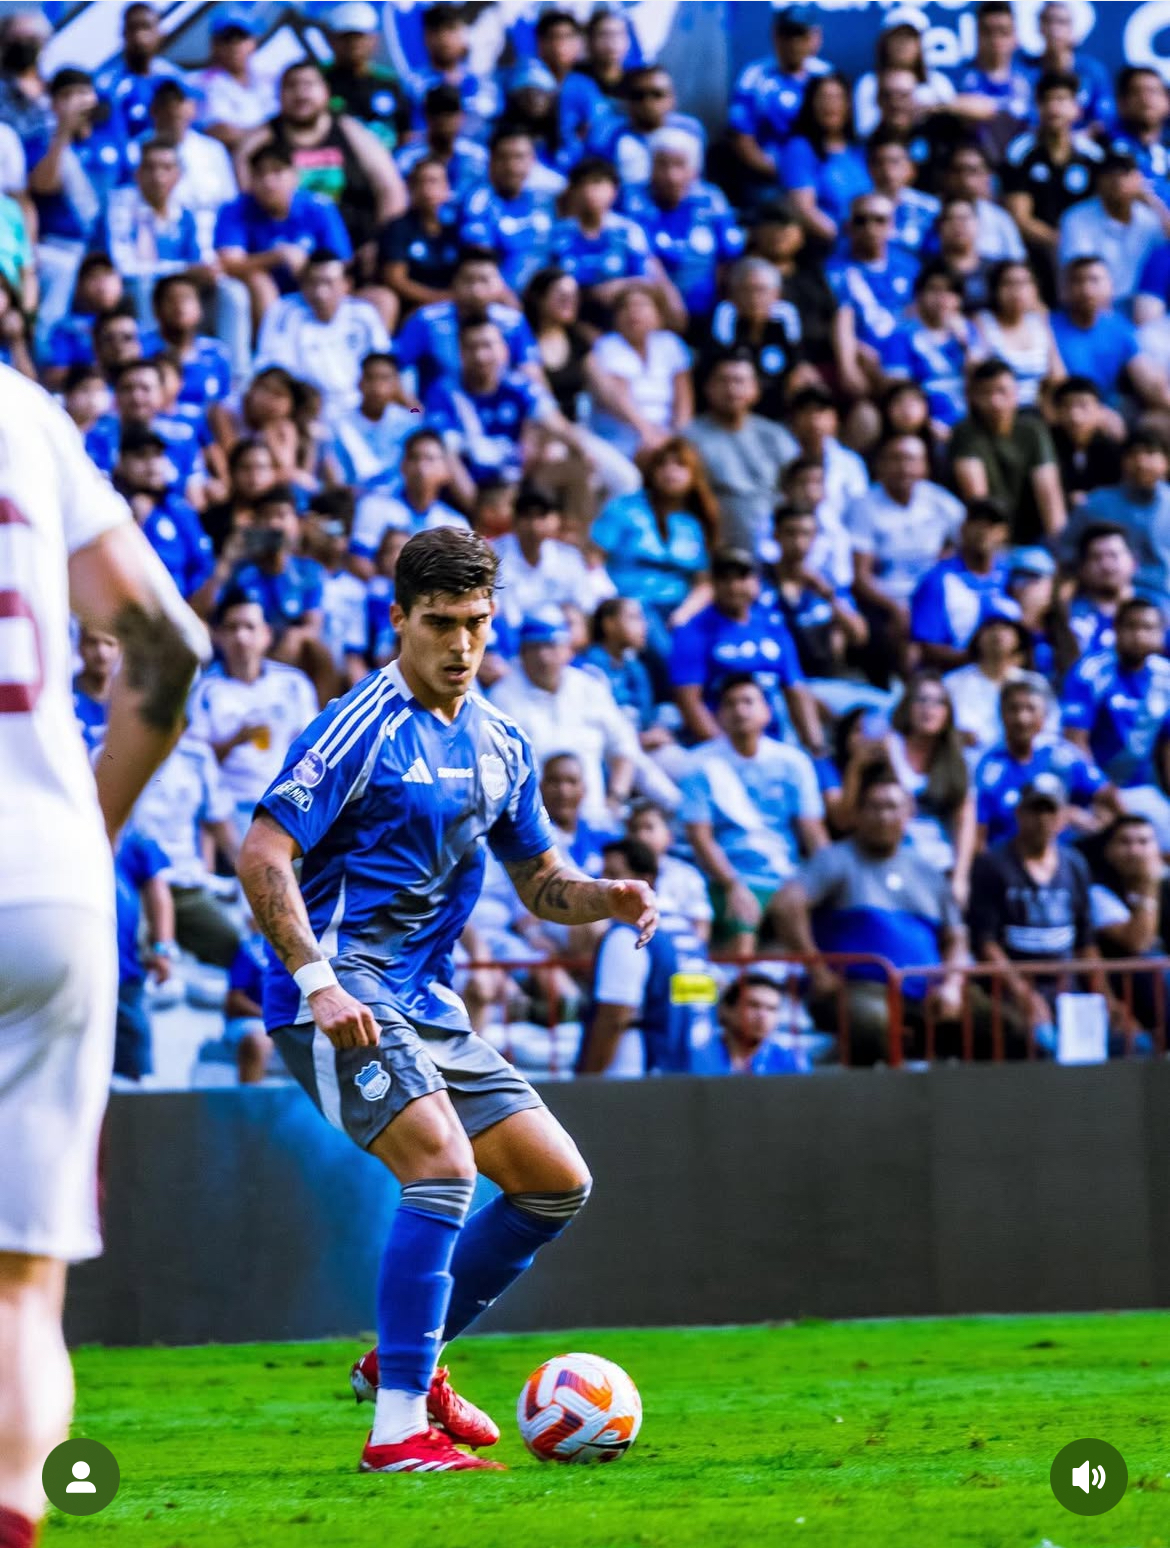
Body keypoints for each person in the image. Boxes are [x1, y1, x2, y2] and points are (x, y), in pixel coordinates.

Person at [236, 527, 656, 1473]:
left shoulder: (503, 741)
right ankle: (397, 1433)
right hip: (339, 992)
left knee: (555, 1182)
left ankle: (404, 1361)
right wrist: (317, 982)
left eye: (475, 622)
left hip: (424, 1003)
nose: (460, 644)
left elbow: (541, 881)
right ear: (398, 620)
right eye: (439, 623)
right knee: (441, 1165)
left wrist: (607, 896)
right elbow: (263, 854)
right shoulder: (358, 726)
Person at [0, 363, 208, 1548]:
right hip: (44, 880)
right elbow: (168, 649)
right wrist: (88, 829)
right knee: (21, 1294)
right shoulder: (26, 414)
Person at [774, 769, 967, 1066]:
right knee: (872, 1022)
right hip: (857, 988)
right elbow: (786, 905)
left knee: (1006, 1026)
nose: (883, 816)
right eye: (874, 807)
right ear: (858, 814)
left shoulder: (927, 871)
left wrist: (952, 985)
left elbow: (956, 937)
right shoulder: (835, 859)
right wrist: (817, 969)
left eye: (892, 807)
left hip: (927, 992)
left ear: (909, 814)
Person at [680, 674, 827, 958]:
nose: (740, 710)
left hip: (786, 874)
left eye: (748, 701)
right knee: (743, 933)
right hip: (728, 874)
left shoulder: (793, 762)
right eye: (730, 703)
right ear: (719, 715)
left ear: (767, 711)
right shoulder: (701, 764)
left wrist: (826, 880)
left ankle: (813, 978)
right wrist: (732, 884)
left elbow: (812, 830)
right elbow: (700, 837)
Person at [237, 59, 406, 275]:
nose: (301, 94)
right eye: (292, 86)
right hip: (287, 258)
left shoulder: (351, 130)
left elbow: (392, 190)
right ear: (278, 95)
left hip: (357, 254)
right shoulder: (260, 140)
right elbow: (246, 201)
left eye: (309, 84)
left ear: (326, 91)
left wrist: (379, 242)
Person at [967, 773, 1097, 1049]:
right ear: (1019, 814)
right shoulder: (992, 865)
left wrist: (1105, 995)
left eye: (1050, 811)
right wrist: (1022, 993)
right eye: (1034, 810)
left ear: (1064, 817)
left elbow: (1086, 940)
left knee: (1126, 1045)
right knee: (1044, 1044)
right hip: (1010, 989)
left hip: (1067, 990)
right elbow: (985, 942)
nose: (1042, 819)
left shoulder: (1075, 864)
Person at [489, 607, 639, 827]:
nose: (543, 656)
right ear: (521, 653)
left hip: (594, 821)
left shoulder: (590, 687)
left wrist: (616, 797)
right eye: (534, 647)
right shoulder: (501, 698)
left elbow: (624, 747)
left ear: (568, 650)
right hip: (532, 825)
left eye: (551, 646)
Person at [187, 590, 319, 832]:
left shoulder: (294, 684)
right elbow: (195, 764)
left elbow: (312, 748)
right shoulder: (204, 691)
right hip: (227, 810)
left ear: (266, 634)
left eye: (250, 627)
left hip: (284, 804)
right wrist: (236, 740)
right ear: (218, 637)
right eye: (232, 628)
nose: (241, 637)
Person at [669, 547, 822, 754]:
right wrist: (727, 753)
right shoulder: (694, 631)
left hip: (777, 740)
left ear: (757, 582)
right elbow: (689, 701)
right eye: (725, 579)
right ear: (713, 584)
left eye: (742, 577)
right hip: (723, 742)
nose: (734, 586)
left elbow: (795, 688)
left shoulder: (772, 625)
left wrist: (815, 744)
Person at [848, 433, 965, 675]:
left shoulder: (939, 500)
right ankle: (907, 685)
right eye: (896, 459)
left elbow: (971, 536)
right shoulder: (865, 506)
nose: (904, 467)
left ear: (924, 466)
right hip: (888, 596)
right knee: (905, 632)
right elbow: (861, 576)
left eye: (911, 460)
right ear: (880, 465)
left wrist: (948, 557)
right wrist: (894, 607)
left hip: (934, 592)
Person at [590, 437, 715, 663]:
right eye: (662, 464)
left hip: (677, 610)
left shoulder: (692, 524)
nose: (670, 471)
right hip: (631, 604)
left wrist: (683, 614)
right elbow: (593, 558)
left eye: (680, 465)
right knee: (665, 649)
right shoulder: (624, 508)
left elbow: (703, 584)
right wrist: (610, 600)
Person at [576, 839, 688, 1077]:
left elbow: (613, 1018)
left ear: (645, 881)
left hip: (627, 1068)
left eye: (613, 875)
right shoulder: (676, 933)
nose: (603, 883)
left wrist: (586, 1081)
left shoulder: (625, 937)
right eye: (601, 874)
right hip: (672, 1065)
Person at [1064, 596, 1170, 846]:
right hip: (1088, 790)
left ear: (1161, 633)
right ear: (1116, 629)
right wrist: (1102, 791)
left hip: (1141, 790)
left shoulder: (1165, 677)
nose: (1139, 635)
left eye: (1148, 628)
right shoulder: (1091, 670)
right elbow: (1074, 741)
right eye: (1131, 627)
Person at [215, 142, 353, 328]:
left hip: (312, 288)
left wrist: (307, 269)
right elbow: (228, 263)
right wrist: (278, 256)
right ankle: (270, 340)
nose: (268, 181)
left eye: (277, 171)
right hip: (263, 294)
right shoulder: (235, 209)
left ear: (295, 176)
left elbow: (341, 261)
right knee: (258, 279)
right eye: (260, 174)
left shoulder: (319, 207)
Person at [619, 128, 745, 328]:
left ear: (694, 170)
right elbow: (642, 255)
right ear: (650, 167)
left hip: (708, 308)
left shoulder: (711, 198)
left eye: (679, 165)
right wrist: (668, 298)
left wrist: (720, 302)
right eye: (662, 165)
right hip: (655, 308)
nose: (671, 175)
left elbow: (728, 255)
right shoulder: (634, 200)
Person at [975, 674, 1112, 849]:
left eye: (1030, 709)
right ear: (1001, 714)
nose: (1022, 719)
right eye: (1013, 709)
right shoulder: (988, 767)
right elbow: (978, 835)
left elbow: (1109, 798)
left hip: (1065, 854)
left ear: (1045, 715)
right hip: (1009, 857)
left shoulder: (1062, 755)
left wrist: (1092, 822)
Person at [254, 248, 390, 419]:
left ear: (346, 284)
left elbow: (386, 369)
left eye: (328, 283)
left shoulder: (364, 314)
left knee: (414, 413)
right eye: (313, 283)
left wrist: (413, 409)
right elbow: (272, 371)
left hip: (361, 413)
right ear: (303, 285)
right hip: (305, 413)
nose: (320, 293)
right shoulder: (283, 311)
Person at [683, 348, 796, 552]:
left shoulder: (775, 436)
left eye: (740, 381)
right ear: (708, 387)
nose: (732, 388)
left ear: (756, 389)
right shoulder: (690, 438)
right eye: (724, 380)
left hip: (776, 543)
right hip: (717, 544)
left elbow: (796, 486)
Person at [393, 246, 540, 397]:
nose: (476, 290)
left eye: (484, 280)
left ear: (500, 283)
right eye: (468, 280)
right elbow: (398, 371)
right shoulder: (425, 320)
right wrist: (415, 409)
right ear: (454, 282)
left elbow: (531, 374)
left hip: (502, 409)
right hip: (436, 409)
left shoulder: (513, 322)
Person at [1001, 71, 1102, 286]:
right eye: (1047, 100)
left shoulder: (1093, 156)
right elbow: (1020, 218)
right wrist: (1062, 242)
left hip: (1087, 250)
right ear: (1037, 107)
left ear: (1076, 108)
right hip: (1035, 252)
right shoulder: (1020, 152)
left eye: (1062, 99)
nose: (1054, 107)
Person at [950, 357, 1066, 544]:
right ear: (974, 397)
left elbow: (1049, 492)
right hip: (988, 540)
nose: (995, 401)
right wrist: (993, 546)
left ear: (1016, 393)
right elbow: (978, 499)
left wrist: (1059, 545)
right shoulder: (965, 432)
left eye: (1002, 391)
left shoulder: (1033, 429)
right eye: (986, 393)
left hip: (1033, 537)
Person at [727, 4, 828, 199]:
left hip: (819, 175)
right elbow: (741, 138)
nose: (794, 43)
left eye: (800, 35)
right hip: (770, 177)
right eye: (787, 34)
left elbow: (838, 137)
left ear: (815, 37)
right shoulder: (754, 76)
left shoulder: (825, 76)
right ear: (775, 36)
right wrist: (788, 174)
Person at [827, 192, 920, 404]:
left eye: (880, 220)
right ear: (848, 227)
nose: (870, 228)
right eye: (861, 221)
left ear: (892, 226)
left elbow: (918, 314)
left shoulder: (910, 267)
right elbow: (834, 320)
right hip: (861, 361)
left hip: (908, 357)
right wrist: (854, 350)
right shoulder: (833, 272)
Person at [587, 283, 692, 461]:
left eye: (641, 305)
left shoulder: (670, 343)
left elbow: (684, 401)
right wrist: (650, 434)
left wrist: (678, 435)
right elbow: (620, 401)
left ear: (658, 314)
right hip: (624, 436)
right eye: (625, 307)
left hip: (667, 433)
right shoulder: (608, 346)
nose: (633, 312)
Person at [909, 498, 1011, 671]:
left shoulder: (1012, 574)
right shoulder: (938, 580)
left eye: (992, 525)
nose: (983, 531)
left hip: (1010, 671)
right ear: (962, 529)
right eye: (976, 523)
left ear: (1004, 533)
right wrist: (982, 659)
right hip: (958, 673)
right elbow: (929, 647)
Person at [1054, 257, 1167, 412]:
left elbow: (1145, 374)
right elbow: (1056, 385)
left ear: (1110, 286)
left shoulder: (1118, 326)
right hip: (1068, 409)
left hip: (1110, 408)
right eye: (1077, 281)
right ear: (1064, 289)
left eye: (1094, 280)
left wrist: (1162, 394)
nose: (1086, 289)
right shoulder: (1049, 327)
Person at [492, 486, 610, 631]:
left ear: (556, 519)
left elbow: (585, 604)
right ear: (515, 520)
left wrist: (576, 620)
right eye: (527, 516)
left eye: (542, 515)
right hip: (510, 635)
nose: (534, 524)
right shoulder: (494, 554)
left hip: (558, 636)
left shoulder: (568, 557)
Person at [1070, 430, 1170, 600]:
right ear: (1123, 461)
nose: (1141, 462)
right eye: (1134, 454)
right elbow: (1067, 550)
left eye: (1150, 453)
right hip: (1102, 597)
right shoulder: (1097, 504)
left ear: (1166, 462)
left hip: (1164, 598)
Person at [111, 825, 176, 1085]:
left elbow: (157, 889)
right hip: (71, 968)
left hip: (123, 971)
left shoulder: (132, 836)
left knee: (132, 1066)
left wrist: (162, 948)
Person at [349, 428, 463, 575]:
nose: (421, 467)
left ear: (446, 470)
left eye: (430, 459)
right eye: (414, 458)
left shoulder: (455, 523)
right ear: (402, 465)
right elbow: (359, 562)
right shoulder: (374, 506)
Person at [1058, 148, 1164, 306]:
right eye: (1110, 174)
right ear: (1099, 181)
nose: (1117, 181)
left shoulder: (1149, 217)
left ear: (1137, 178)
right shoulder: (1076, 218)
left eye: (1124, 174)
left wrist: (1151, 200)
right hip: (1096, 306)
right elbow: (1079, 274)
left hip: (1143, 303)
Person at [706, 256, 802, 421]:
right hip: (735, 415)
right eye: (746, 290)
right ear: (733, 294)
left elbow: (797, 366)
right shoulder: (725, 321)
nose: (754, 297)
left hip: (778, 414)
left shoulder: (785, 323)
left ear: (776, 294)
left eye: (761, 290)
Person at [781, 72, 870, 248]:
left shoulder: (859, 149)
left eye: (837, 98)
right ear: (810, 104)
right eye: (823, 98)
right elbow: (803, 209)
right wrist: (848, 242)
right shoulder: (799, 148)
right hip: (829, 247)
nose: (830, 105)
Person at [584, 62, 705, 190]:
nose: (648, 103)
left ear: (672, 99)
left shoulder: (690, 131)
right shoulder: (608, 135)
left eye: (657, 94)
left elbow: (697, 182)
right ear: (626, 101)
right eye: (638, 96)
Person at [970, 261, 1064, 412]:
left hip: (1038, 409)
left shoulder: (1039, 321)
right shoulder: (983, 322)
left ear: (1035, 289)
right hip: (997, 410)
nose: (1017, 291)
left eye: (1024, 283)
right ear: (995, 289)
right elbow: (975, 375)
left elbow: (1058, 376)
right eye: (1008, 284)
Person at [944, 609, 1032, 766]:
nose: (997, 632)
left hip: (1024, 767)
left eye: (1005, 627)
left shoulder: (1034, 684)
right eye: (990, 627)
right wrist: (953, 736)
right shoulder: (953, 682)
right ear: (977, 637)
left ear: (1018, 638)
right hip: (966, 765)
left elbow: (1049, 732)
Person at [322, 1, 412, 154]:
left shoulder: (389, 83)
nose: (354, 44)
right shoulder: (319, 80)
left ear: (374, 39)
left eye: (359, 37)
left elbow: (405, 132)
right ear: (331, 40)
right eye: (347, 38)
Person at [379, 156, 459, 318]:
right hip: (414, 307)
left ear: (447, 187)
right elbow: (395, 279)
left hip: (457, 304)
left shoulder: (458, 226)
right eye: (421, 182)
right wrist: (438, 299)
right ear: (411, 189)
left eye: (434, 181)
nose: (427, 189)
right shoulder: (398, 227)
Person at [328, 351, 418, 492]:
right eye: (370, 378)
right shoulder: (341, 424)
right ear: (359, 382)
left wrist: (408, 401)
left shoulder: (408, 421)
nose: (377, 387)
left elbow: (417, 412)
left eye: (384, 378)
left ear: (396, 384)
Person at [691, 972, 804, 1076]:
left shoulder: (789, 1062)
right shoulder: (698, 1054)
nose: (762, 1016)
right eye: (753, 1005)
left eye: (772, 1009)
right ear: (726, 1009)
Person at [196, 10, 277, 151]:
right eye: (227, 39)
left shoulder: (269, 76)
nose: (234, 45)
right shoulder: (202, 83)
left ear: (253, 43)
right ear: (214, 45)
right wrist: (273, 133)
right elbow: (220, 131)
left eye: (241, 37)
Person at [397, 82, 487, 204]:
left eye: (450, 113)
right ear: (426, 116)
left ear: (462, 116)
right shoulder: (406, 159)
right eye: (438, 113)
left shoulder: (478, 157)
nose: (444, 120)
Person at [1067, 524, 1140, 659]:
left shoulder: (1160, 611)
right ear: (1082, 568)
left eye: (1114, 555)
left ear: (1134, 562)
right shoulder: (1067, 615)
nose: (1106, 565)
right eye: (1096, 557)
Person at [1050, 376, 1123, 508]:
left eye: (1083, 406)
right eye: (1067, 406)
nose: (1075, 415)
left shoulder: (1112, 450)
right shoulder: (1048, 445)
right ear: (1057, 412)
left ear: (1099, 410)